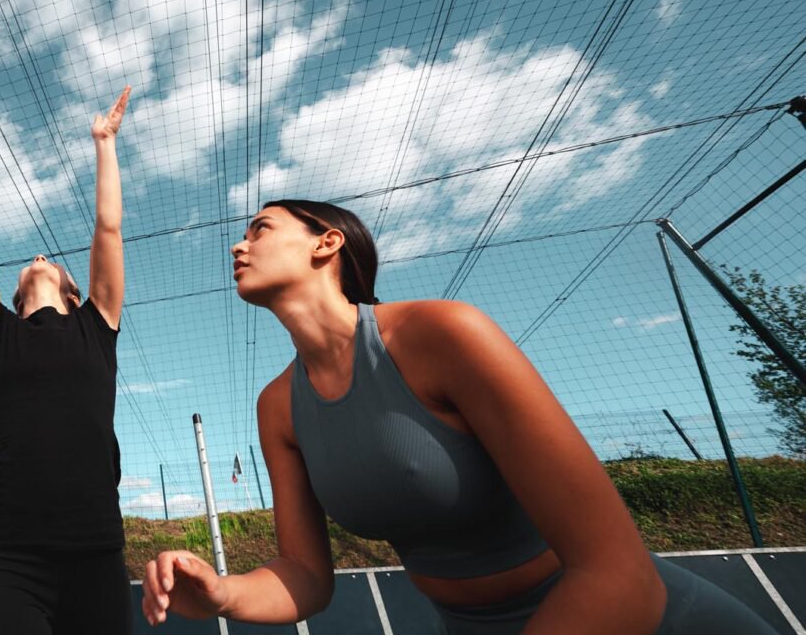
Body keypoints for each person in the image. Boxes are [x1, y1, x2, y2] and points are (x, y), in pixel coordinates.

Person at [141, 199, 778, 634]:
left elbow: (617, 572)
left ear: (326, 243)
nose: (239, 243)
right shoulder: (277, 405)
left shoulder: (442, 334)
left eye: (260, 228)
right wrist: (225, 592)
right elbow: (305, 577)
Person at [0, 66, 134, 635]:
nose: (40, 256)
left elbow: (108, 230)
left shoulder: (98, 323)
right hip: (9, 550)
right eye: (30, 263)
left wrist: (105, 144)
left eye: (52, 261)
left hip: (97, 549)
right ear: (13, 296)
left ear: (74, 289)